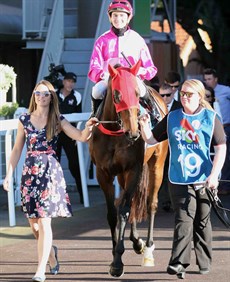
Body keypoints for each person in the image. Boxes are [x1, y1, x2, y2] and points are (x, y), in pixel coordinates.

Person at [2, 80, 98, 282]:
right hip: (29, 174)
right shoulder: (24, 120)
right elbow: (17, 149)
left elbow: (80, 137)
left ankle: (40, 270)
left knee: (45, 222)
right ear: (34, 96)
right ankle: (51, 253)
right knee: (35, 227)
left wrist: (89, 126)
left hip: (50, 173)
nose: (41, 97)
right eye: (38, 93)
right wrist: (9, 174)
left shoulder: (58, 120)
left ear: (51, 96)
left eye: (45, 93)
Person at [139, 79, 226, 278]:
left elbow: (221, 147)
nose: (185, 97)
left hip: (204, 178)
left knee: (202, 221)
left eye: (189, 94)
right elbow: (152, 139)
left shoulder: (210, 118)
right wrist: (144, 126)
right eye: (183, 93)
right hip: (179, 177)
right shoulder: (173, 117)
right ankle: (178, 263)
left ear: (199, 97)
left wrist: (214, 175)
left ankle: (204, 261)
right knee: (184, 219)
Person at [88, 0, 158, 117]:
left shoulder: (137, 39)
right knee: (96, 91)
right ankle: (95, 117)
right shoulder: (101, 40)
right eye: (114, 15)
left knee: (142, 89)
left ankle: (154, 115)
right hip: (109, 79)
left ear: (128, 17)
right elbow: (94, 67)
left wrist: (141, 71)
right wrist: (102, 74)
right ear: (110, 17)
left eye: (121, 15)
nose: (118, 19)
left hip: (132, 79)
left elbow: (151, 68)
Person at [56, 72, 84, 204]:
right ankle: (53, 197)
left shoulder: (77, 96)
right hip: (55, 134)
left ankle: (83, 195)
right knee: (53, 165)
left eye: (73, 82)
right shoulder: (54, 94)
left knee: (74, 165)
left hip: (69, 134)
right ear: (63, 81)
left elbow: (78, 116)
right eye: (68, 81)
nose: (70, 84)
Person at [203, 68, 230, 194]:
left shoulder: (226, 90)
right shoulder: (202, 92)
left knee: (224, 155)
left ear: (215, 79)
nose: (207, 81)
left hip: (226, 126)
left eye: (209, 79)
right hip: (208, 128)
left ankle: (224, 184)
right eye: (205, 79)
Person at [158, 82, 182, 212]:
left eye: (168, 95)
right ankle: (164, 201)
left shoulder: (180, 107)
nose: (165, 98)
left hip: (174, 146)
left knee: (172, 173)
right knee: (161, 173)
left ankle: (173, 201)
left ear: (173, 94)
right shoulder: (155, 107)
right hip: (159, 144)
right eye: (162, 95)